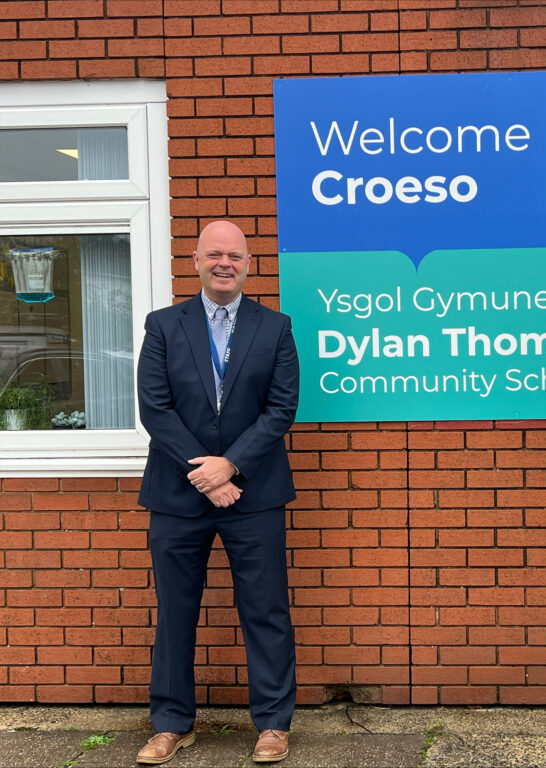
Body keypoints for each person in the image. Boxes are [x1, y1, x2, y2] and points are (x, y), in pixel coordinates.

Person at [135, 220, 299, 765]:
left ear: (248, 262)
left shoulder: (275, 327)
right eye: (213, 255)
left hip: (254, 495)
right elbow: (155, 408)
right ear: (197, 261)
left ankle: (273, 723)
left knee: (266, 609)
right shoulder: (163, 325)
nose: (224, 263)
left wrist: (231, 466)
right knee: (175, 611)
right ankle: (170, 723)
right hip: (178, 497)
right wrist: (204, 473)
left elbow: (281, 409)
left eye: (234, 255)